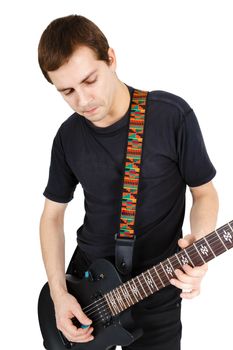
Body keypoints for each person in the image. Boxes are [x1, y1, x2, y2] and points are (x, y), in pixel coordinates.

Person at [38, 14, 219, 350]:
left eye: (89, 80)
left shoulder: (170, 116)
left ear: (110, 59)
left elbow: (204, 193)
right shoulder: (68, 137)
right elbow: (51, 216)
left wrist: (200, 248)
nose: (82, 100)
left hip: (158, 287)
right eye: (67, 92)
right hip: (86, 289)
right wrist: (59, 294)